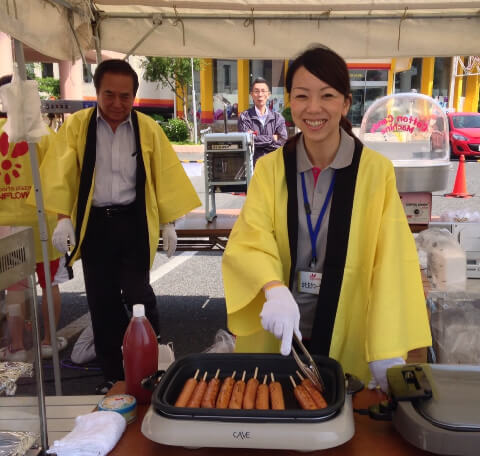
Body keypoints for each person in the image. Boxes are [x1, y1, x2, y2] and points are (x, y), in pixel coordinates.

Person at [222, 46, 432, 392]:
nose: (314, 108)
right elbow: (251, 237)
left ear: (346, 103)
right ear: (289, 102)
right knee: (273, 403)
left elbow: (393, 260)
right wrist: (273, 289)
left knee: (341, 409)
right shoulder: (271, 169)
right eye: (302, 96)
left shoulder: (375, 171)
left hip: (348, 325)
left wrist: (387, 345)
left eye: (327, 96)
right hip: (279, 325)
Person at [35, 59, 201, 390]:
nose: (116, 103)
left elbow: (164, 174)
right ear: (97, 92)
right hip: (95, 223)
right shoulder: (77, 126)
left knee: (139, 293)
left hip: (132, 221)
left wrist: (169, 222)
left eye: (125, 96)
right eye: (109, 94)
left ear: (134, 97)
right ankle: (113, 376)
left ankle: (151, 363)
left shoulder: (147, 128)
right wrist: (63, 219)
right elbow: (60, 174)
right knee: (102, 301)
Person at [0, 75, 69, 361]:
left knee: (15, 287)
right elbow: (60, 180)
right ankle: (48, 341)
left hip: (7, 223)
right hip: (44, 222)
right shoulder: (46, 135)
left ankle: (16, 346)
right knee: (48, 284)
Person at [238, 77, 288, 166]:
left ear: (268, 95)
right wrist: (273, 138)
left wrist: (256, 139)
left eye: (263, 91)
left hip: (273, 165)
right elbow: (246, 141)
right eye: (256, 91)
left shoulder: (278, 118)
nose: (260, 94)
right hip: (253, 167)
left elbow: (283, 141)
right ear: (251, 94)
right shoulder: (245, 117)